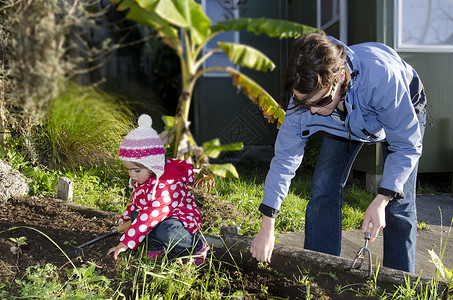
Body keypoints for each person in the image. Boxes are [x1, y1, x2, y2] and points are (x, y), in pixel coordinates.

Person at [250, 31, 427, 273]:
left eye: (319, 102)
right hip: (345, 118)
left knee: (399, 203)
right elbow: (284, 160)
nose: (311, 112)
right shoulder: (306, 103)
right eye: (304, 103)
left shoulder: (382, 78)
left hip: (400, 105)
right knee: (324, 186)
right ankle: (320, 271)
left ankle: (399, 282)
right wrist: (267, 223)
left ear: (341, 77)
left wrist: (382, 198)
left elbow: (407, 146)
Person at [107, 114, 210, 265]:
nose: (131, 174)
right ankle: (157, 246)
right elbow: (135, 204)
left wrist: (126, 241)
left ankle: (196, 246)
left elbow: (151, 216)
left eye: (136, 170)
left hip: (179, 220)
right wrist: (123, 222)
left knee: (165, 231)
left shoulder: (166, 185)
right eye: (128, 170)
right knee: (137, 215)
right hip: (157, 218)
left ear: (152, 166)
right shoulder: (144, 179)